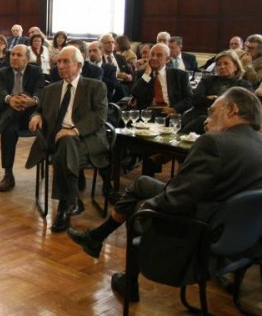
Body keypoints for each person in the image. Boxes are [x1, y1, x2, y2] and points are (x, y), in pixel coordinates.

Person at [66, 87, 262, 301]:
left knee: (138, 210)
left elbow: (176, 200)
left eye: (212, 112)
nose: (207, 120)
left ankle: (129, 282)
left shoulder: (214, 143)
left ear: (232, 109)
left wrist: (147, 206)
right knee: (142, 183)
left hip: (198, 228)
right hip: (238, 234)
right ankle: (96, 237)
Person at [25, 47, 109, 232]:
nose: (60, 66)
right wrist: (36, 116)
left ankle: (64, 206)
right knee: (64, 143)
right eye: (59, 62)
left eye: (66, 62)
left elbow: (99, 116)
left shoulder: (95, 87)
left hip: (86, 140)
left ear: (79, 65)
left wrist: (75, 130)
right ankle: (72, 200)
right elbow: (40, 109)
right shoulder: (51, 89)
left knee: (66, 142)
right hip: (55, 138)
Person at [0, 44, 45, 191]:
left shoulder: (36, 71)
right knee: (9, 130)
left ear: (27, 58)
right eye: (12, 55)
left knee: (25, 97)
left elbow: (41, 89)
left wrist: (33, 100)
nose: (14, 58)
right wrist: (10, 99)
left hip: (30, 117)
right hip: (8, 115)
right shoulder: (3, 72)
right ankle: (8, 174)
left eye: (19, 55)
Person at [182, 50, 253, 133]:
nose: (222, 67)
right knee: (200, 120)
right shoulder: (208, 80)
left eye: (226, 63)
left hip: (229, 121)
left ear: (235, 66)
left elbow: (245, 106)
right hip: (202, 115)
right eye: (219, 64)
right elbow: (196, 100)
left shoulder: (244, 85)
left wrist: (213, 99)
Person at [131, 43, 192, 116]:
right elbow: (135, 94)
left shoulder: (180, 75)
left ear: (167, 59)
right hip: (148, 114)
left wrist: (174, 109)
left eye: (159, 55)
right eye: (152, 54)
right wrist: (147, 74)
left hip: (171, 113)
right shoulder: (142, 75)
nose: (154, 58)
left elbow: (189, 99)